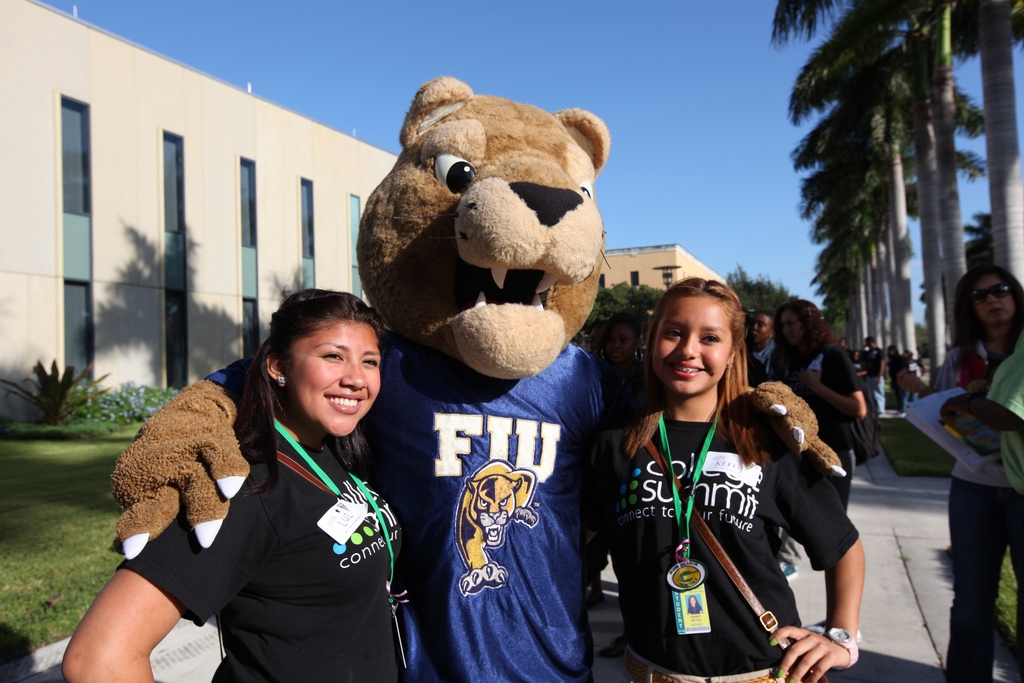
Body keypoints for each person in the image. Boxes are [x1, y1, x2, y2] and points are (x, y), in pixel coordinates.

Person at [62, 290, 401, 683]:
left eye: (370, 361)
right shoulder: (242, 485)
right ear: (278, 366)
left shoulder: (333, 448)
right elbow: (98, 660)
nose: (356, 378)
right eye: (332, 356)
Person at [588, 278, 864, 683]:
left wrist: (840, 637)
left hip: (762, 670)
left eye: (710, 337)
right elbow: (571, 542)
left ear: (734, 352)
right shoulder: (614, 445)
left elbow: (843, 546)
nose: (688, 350)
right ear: (652, 341)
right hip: (652, 672)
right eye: (673, 332)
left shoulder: (766, 442)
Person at [897, 265, 1024, 683]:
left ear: (1015, 295)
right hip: (974, 485)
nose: (991, 299)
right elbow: (947, 402)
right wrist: (924, 396)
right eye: (980, 295)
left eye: (1000, 290)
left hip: (1021, 487)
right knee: (970, 600)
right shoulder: (961, 356)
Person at [775, 300, 867, 510]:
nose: (785, 330)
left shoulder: (832, 355)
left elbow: (859, 409)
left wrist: (817, 387)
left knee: (833, 524)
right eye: (782, 325)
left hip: (835, 452)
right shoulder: (794, 359)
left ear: (807, 323)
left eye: (791, 324)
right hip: (802, 453)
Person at [597, 311, 645, 406]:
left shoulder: (646, 376)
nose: (616, 345)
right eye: (611, 339)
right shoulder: (597, 373)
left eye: (623, 340)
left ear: (637, 342)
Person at [887, 345, 907, 415]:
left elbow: (901, 369)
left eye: (891, 351)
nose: (889, 352)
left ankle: (902, 409)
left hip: (899, 378)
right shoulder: (891, 358)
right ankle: (900, 407)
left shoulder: (898, 358)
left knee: (902, 394)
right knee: (898, 393)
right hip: (894, 378)